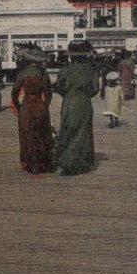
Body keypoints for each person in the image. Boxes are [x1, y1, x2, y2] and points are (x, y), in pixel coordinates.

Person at [54, 40, 101, 176]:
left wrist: (68, 92)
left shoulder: (64, 71)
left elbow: (59, 88)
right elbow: (95, 89)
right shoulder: (90, 71)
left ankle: (67, 162)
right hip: (84, 103)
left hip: (68, 102)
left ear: (71, 56)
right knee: (83, 132)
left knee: (67, 130)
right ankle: (82, 162)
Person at [10, 47, 56, 174]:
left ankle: (30, 163)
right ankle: (43, 163)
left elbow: (14, 93)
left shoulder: (22, 73)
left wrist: (18, 106)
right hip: (39, 105)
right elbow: (48, 92)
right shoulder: (43, 74)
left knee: (27, 135)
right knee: (42, 134)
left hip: (26, 105)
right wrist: (45, 105)